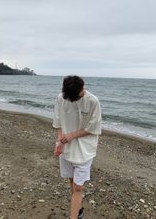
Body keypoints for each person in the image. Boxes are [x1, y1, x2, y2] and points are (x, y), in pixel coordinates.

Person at [53, 75, 102, 219]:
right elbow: (59, 124)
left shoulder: (93, 101)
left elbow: (93, 128)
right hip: (66, 148)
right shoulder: (61, 98)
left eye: (81, 91)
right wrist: (59, 143)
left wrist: (71, 136)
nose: (83, 92)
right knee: (71, 179)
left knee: (78, 186)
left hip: (85, 150)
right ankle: (79, 209)